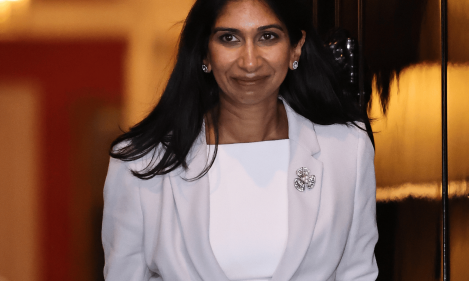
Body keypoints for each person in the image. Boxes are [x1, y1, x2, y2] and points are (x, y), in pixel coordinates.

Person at [102, 0, 378, 280]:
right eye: (229, 38)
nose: (249, 61)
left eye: (268, 37)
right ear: (204, 52)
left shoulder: (347, 149)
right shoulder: (141, 163)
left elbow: (358, 273)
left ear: (296, 46)